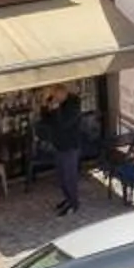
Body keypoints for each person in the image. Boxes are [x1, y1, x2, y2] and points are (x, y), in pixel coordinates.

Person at [43, 87, 85, 217]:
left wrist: (55, 109)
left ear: (63, 92)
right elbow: (47, 121)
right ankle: (68, 199)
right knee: (61, 177)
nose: (55, 97)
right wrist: (46, 107)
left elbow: (63, 124)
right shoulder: (58, 103)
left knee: (69, 177)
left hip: (70, 146)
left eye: (56, 94)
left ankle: (74, 203)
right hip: (59, 146)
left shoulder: (73, 106)